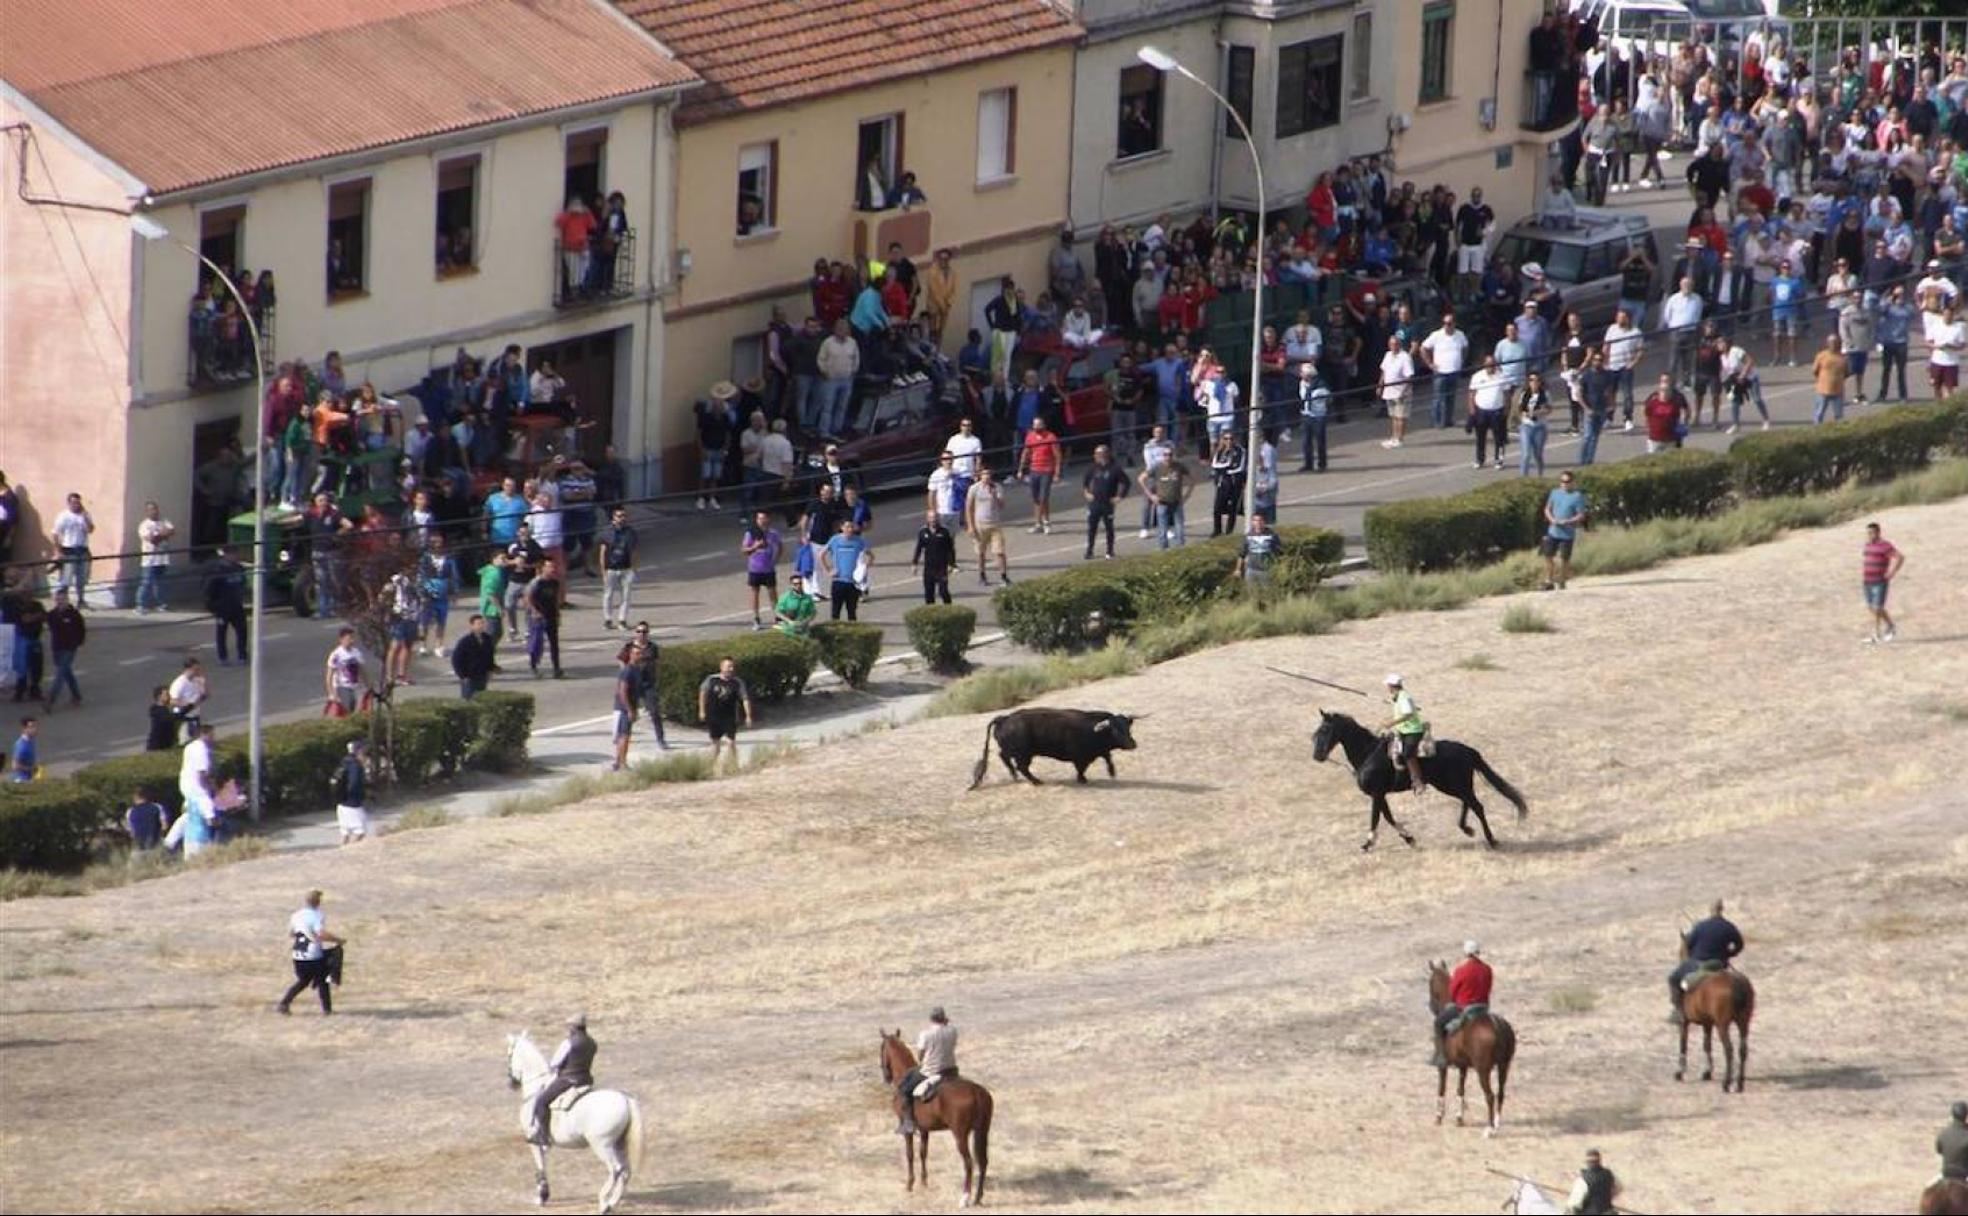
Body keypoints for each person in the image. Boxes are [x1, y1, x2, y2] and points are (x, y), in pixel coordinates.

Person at [1668, 898, 1743, 1023]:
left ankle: (1678, 1010)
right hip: (1720, 964)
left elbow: (1688, 945)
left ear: (1711, 910)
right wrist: (1729, 954)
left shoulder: (1700, 926)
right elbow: (1739, 945)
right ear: (1722, 909)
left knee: (1673, 978)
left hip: (1698, 964)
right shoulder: (1729, 927)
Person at [529, 1014, 597, 1144]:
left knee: (541, 1101)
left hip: (568, 1079)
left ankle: (543, 1136)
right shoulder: (592, 1043)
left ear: (573, 1027)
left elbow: (555, 1063)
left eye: (569, 1026)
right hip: (586, 1080)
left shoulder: (569, 1042)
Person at [277, 890, 343, 1016]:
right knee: (323, 981)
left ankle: (284, 1003)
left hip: (298, 955)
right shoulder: (316, 915)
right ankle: (327, 1010)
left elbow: (291, 933)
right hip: (313, 955)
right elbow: (321, 934)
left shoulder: (296, 915)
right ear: (318, 902)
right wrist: (337, 940)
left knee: (303, 981)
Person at [897, 1006, 959, 1136]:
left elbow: (920, 1056)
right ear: (944, 1018)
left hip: (930, 1071)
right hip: (950, 1070)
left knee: (904, 1089)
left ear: (931, 1018)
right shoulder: (953, 1031)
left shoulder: (926, 1034)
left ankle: (909, 1122)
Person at [1430, 940, 1492, 1068]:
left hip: (1464, 1007)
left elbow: (1452, 991)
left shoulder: (1461, 970)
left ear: (1466, 953)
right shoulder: (1487, 969)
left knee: (1438, 1023)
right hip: (1483, 1008)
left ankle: (1441, 1056)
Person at [698, 657, 753, 775]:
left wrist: (748, 715)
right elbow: (703, 693)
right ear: (721, 667)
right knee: (715, 744)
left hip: (729, 716)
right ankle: (710, 768)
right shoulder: (711, 679)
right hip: (714, 716)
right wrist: (702, 711)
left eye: (732, 667)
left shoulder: (737, 682)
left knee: (731, 742)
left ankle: (734, 766)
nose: (731, 669)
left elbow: (745, 699)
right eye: (728, 666)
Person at [1380, 674, 1427, 795]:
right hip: (1402, 731)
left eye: (1388, 686)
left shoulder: (1404, 697)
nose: (1387, 688)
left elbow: (1408, 715)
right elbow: (1400, 712)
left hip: (1412, 731)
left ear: (1391, 686)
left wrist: (1391, 723)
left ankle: (1418, 781)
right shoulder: (1398, 697)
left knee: (1408, 755)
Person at [1081, 444, 1129, 561]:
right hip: (1094, 503)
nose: (1098, 456)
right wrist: (1086, 493)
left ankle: (1109, 551)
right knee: (1092, 527)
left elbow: (1126, 482)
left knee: (1109, 527)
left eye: (1100, 454)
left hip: (1108, 503)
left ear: (1106, 454)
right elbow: (1085, 483)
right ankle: (1089, 550)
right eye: (1096, 454)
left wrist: (1119, 496)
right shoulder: (1092, 468)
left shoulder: (1115, 469)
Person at [1860, 522, 1905, 645]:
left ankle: (1875, 635)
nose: (1869, 535)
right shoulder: (1867, 545)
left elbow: (1900, 557)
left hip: (1879, 581)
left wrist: (1892, 573)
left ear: (1878, 532)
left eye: (1872, 532)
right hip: (1867, 580)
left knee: (1877, 607)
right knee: (1872, 607)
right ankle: (1890, 626)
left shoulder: (1885, 546)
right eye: (1868, 533)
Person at [1541, 472, 1587, 592]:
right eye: (1562, 481)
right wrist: (1551, 519)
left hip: (1567, 533)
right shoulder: (1554, 493)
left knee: (1564, 559)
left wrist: (1567, 521)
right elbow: (1547, 508)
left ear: (1572, 483)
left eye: (1567, 482)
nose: (1564, 484)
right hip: (1553, 531)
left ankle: (1562, 580)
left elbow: (1581, 515)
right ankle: (1549, 580)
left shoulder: (1577, 496)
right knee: (1548, 556)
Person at [965, 467, 1010, 586]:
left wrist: (994, 496)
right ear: (980, 475)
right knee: (980, 552)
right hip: (980, 524)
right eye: (984, 474)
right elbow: (969, 508)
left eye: (989, 474)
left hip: (995, 524)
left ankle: (1004, 576)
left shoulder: (997, 487)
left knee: (999, 551)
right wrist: (970, 525)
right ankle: (982, 575)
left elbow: (1001, 506)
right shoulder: (974, 488)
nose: (987, 476)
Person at [1015, 415, 1060, 535]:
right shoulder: (1030, 437)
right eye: (1035, 425)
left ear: (1043, 425)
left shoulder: (1051, 437)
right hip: (1034, 469)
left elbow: (1057, 455)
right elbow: (1026, 452)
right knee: (1035, 498)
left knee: (1043, 497)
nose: (1037, 427)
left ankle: (1046, 522)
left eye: (1039, 425)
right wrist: (1021, 469)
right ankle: (1038, 523)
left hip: (1047, 470)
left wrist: (1057, 472)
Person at [204, 547, 250, 666]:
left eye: (236, 553)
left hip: (236, 605)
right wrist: (212, 605)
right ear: (226, 555)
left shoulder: (239, 568)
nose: (235, 556)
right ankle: (222, 657)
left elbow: (243, 583)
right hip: (222, 607)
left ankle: (242, 655)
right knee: (222, 632)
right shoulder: (217, 570)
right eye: (232, 554)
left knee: (242, 631)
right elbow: (209, 589)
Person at [49, 492, 95, 606]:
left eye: (78, 502)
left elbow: (91, 530)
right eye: (73, 502)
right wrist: (58, 551)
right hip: (68, 549)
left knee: (82, 578)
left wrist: (85, 517)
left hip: (83, 549)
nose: (76, 504)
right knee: (66, 579)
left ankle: (81, 600)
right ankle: (63, 601)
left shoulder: (85, 515)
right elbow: (55, 533)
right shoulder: (63, 516)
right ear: (69, 503)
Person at [43, 589, 85, 710]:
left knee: (60, 673)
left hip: (70, 648)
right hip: (57, 647)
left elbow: (81, 629)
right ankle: (76, 695)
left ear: (67, 600)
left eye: (62, 599)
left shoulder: (74, 614)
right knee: (67, 672)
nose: (60, 602)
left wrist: (78, 642)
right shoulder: (52, 614)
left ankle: (51, 698)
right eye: (58, 600)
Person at [597, 507, 638, 631]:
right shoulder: (607, 532)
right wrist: (603, 571)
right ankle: (608, 619)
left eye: (623, 516)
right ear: (613, 518)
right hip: (611, 569)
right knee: (608, 595)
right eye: (619, 516)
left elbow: (634, 552)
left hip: (626, 568)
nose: (622, 519)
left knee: (626, 596)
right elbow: (602, 553)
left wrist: (634, 569)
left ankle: (622, 620)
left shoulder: (631, 532)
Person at [742, 510, 783, 630]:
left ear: (768, 519)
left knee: (773, 594)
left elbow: (780, 546)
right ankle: (756, 618)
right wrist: (755, 547)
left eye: (764, 518)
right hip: (755, 569)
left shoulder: (773, 533)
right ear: (756, 520)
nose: (762, 521)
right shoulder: (750, 534)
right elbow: (744, 550)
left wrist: (775, 560)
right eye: (760, 519)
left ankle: (777, 617)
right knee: (755, 593)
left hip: (769, 569)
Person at [822, 520, 871, 621]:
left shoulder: (859, 541)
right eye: (847, 527)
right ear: (842, 527)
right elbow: (821, 555)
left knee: (852, 612)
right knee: (835, 612)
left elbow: (871, 556)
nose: (850, 529)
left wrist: (863, 569)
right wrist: (828, 571)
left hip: (853, 582)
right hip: (838, 581)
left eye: (852, 527)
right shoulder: (835, 540)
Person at [136, 501, 176, 613]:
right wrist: (162, 534)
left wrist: (160, 534)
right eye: (151, 509)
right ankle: (140, 605)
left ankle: (161, 604)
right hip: (150, 559)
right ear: (147, 511)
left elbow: (172, 531)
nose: (154, 511)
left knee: (160, 583)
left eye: (155, 509)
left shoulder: (164, 521)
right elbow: (151, 539)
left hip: (162, 558)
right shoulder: (144, 525)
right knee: (146, 582)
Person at [910, 509, 957, 604]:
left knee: (943, 592)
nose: (933, 520)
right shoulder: (923, 532)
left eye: (935, 517)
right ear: (927, 519)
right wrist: (914, 564)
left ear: (938, 518)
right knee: (929, 594)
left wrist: (951, 564)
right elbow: (918, 548)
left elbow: (950, 549)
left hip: (941, 568)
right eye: (931, 517)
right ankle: (931, 613)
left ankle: (949, 609)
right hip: (929, 568)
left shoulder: (944, 531)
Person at [332, 740, 370, 844]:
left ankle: (341, 853)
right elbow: (354, 783)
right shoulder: (355, 765)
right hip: (352, 804)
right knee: (360, 832)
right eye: (364, 750)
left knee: (345, 833)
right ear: (358, 751)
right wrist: (362, 794)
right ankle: (350, 853)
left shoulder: (345, 762)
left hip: (341, 803)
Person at [1564, 1149, 1621, 1216]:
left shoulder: (1584, 1179)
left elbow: (1574, 1203)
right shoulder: (1608, 1174)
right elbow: (1619, 1188)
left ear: (1587, 1162)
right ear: (1599, 1161)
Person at [452, 614, 496, 699]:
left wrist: (491, 669)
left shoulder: (487, 639)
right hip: (469, 676)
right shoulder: (465, 641)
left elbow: (490, 656)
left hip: (482, 675)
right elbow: (456, 660)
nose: (481, 626)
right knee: (469, 699)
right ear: (472, 626)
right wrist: (462, 676)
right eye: (478, 624)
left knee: (481, 698)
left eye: (482, 623)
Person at [1643, 374, 1688, 455]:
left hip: (1672, 437)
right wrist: (1648, 425)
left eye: (1667, 381)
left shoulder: (1677, 397)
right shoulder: (1653, 398)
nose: (1665, 383)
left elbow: (1686, 409)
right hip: (1655, 437)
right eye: (1662, 381)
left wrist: (1684, 423)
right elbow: (1646, 411)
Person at [1233, 513, 1280, 590]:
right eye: (1255, 520)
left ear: (1264, 522)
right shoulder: (1248, 536)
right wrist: (1238, 569)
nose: (1258, 522)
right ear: (1252, 522)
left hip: (1266, 570)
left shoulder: (1272, 535)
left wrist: (1277, 567)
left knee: (1267, 592)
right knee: (1251, 592)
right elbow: (1242, 553)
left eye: (1260, 520)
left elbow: (1278, 552)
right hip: (1251, 569)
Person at [610, 648, 639, 772]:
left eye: (640, 653)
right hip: (623, 709)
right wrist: (629, 710)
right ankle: (622, 763)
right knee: (624, 736)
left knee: (624, 736)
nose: (640, 655)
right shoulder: (628, 671)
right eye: (637, 653)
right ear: (631, 655)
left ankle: (618, 762)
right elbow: (622, 692)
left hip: (628, 707)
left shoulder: (636, 670)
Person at [1811, 333, 1849, 424]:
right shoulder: (1821, 356)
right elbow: (1815, 371)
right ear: (1828, 344)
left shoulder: (1843, 358)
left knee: (1839, 416)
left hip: (1838, 391)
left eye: (1836, 343)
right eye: (1832, 343)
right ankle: (1817, 430)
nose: (1834, 345)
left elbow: (1847, 373)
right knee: (1819, 414)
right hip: (1823, 390)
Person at [126, 786, 167, 851]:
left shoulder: (130, 811)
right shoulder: (158, 807)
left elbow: (131, 832)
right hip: (155, 845)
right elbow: (165, 826)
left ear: (135, 797)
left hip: (138, 847)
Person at [1937, 1102, 1968, 1185]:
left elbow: (1939, 1150)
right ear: (1966, 1116)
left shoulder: (1944, 1133)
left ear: (1952, 1115)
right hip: (1964, 1175)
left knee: (1927, 1188)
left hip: (1946, 1174)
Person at [145, 685, 179, 752]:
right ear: (159, 697)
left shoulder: (165, 709)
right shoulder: (157, 711)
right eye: (166, 694)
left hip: (167, 745)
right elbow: (170, 719)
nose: (169, 697)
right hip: (157, 746)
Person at [8, 716, 36, 783]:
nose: (34, 729)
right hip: (20, 780)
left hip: (29, 779)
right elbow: (14, 766)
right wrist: (30, 768)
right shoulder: (21, 745)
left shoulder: (31, 741)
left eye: (35, 726)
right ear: (24, 729)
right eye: (31, 727)